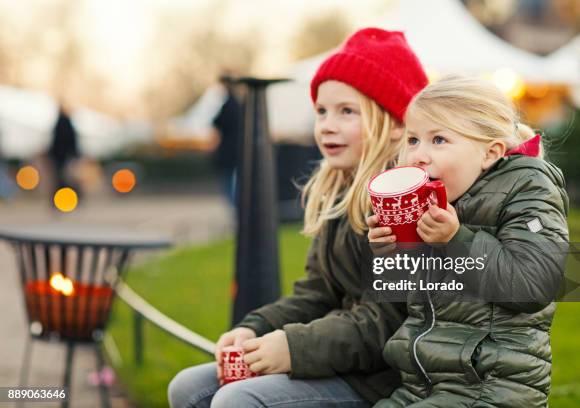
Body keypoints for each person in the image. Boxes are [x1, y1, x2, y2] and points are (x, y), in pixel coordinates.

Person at [168, 27, 429, 408]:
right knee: (188, 388)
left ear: (396, 124)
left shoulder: (402, 203)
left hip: (386, 381)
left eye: (347, 111)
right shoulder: (340, 188)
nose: (326, 125)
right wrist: (255, 328)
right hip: (343, 363)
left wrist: (293, 347)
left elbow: (389, 322)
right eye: (321, 111)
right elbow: (316, 293)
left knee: (237, 400)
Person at [367, 75, 569, 407]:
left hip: (490, 385)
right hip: (422, 383)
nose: (419, 155)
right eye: (413, 139)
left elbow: (534, 286)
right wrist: (390, 251)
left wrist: (455, 239)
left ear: (489, 153)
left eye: (439, 140)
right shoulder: (444, 199)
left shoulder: (529, 190)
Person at [47, 101, 80, 196]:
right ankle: (68, 197)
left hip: (60, 157)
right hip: (64, 156)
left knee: (61, 179)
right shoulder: (66, 123)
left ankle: (62, 197)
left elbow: (55, 142)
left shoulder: (60, 123)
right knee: (65, 178)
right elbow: (72, 141)